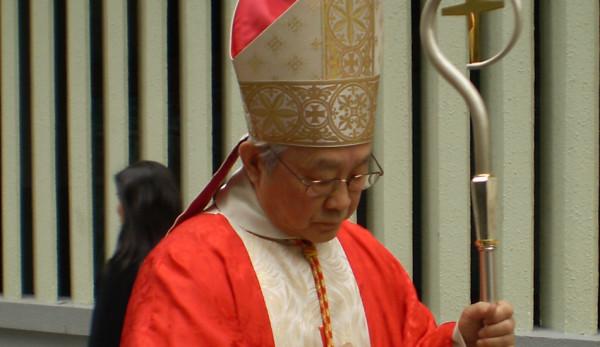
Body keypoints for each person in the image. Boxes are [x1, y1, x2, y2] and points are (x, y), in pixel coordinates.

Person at [121, 1, 515, 346]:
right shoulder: (189, 268)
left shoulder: (366, 257)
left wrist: (462, 341)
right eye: (320, 180)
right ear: (256, 164)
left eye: (357, 175)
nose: (342, 202)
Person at [88, 161, 182, 347]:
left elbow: (104, 337)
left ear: (138, 209)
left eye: (122, 202)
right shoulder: (190, 263)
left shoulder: (122, 272)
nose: (118, 209)